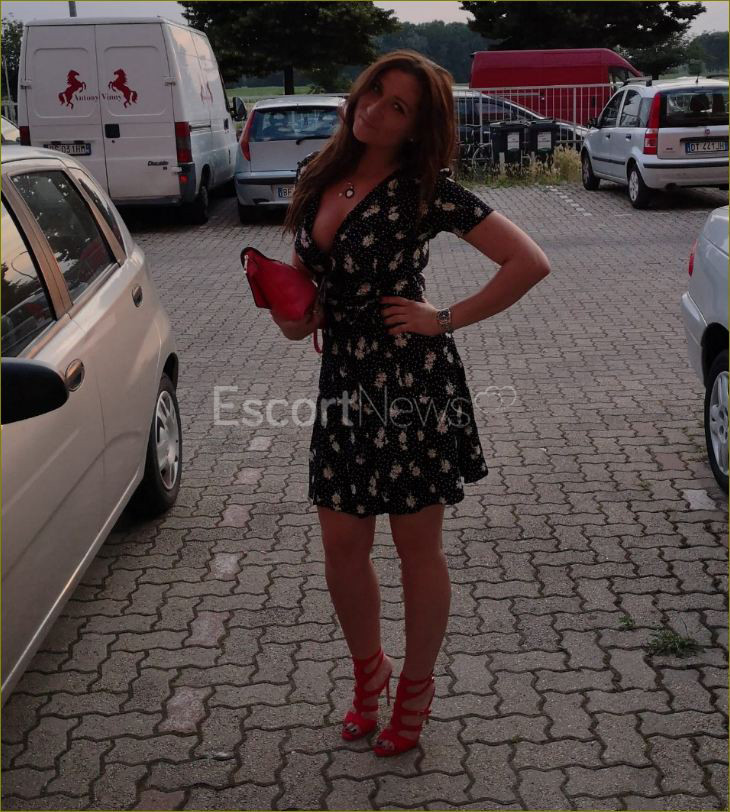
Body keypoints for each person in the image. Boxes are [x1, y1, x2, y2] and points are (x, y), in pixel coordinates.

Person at [275, 50, 550, 757]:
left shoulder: (425, 189)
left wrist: (444, 318)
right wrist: (294, 311)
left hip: (410, 382)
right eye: (374, 91)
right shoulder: (317, 174)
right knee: (341, 545)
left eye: (397, 106)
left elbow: (528, 262)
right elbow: (305, 288)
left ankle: (416, 690)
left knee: (415, 547)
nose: (375, 109)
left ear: (416, 125)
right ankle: (370, 673)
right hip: (343, 381)